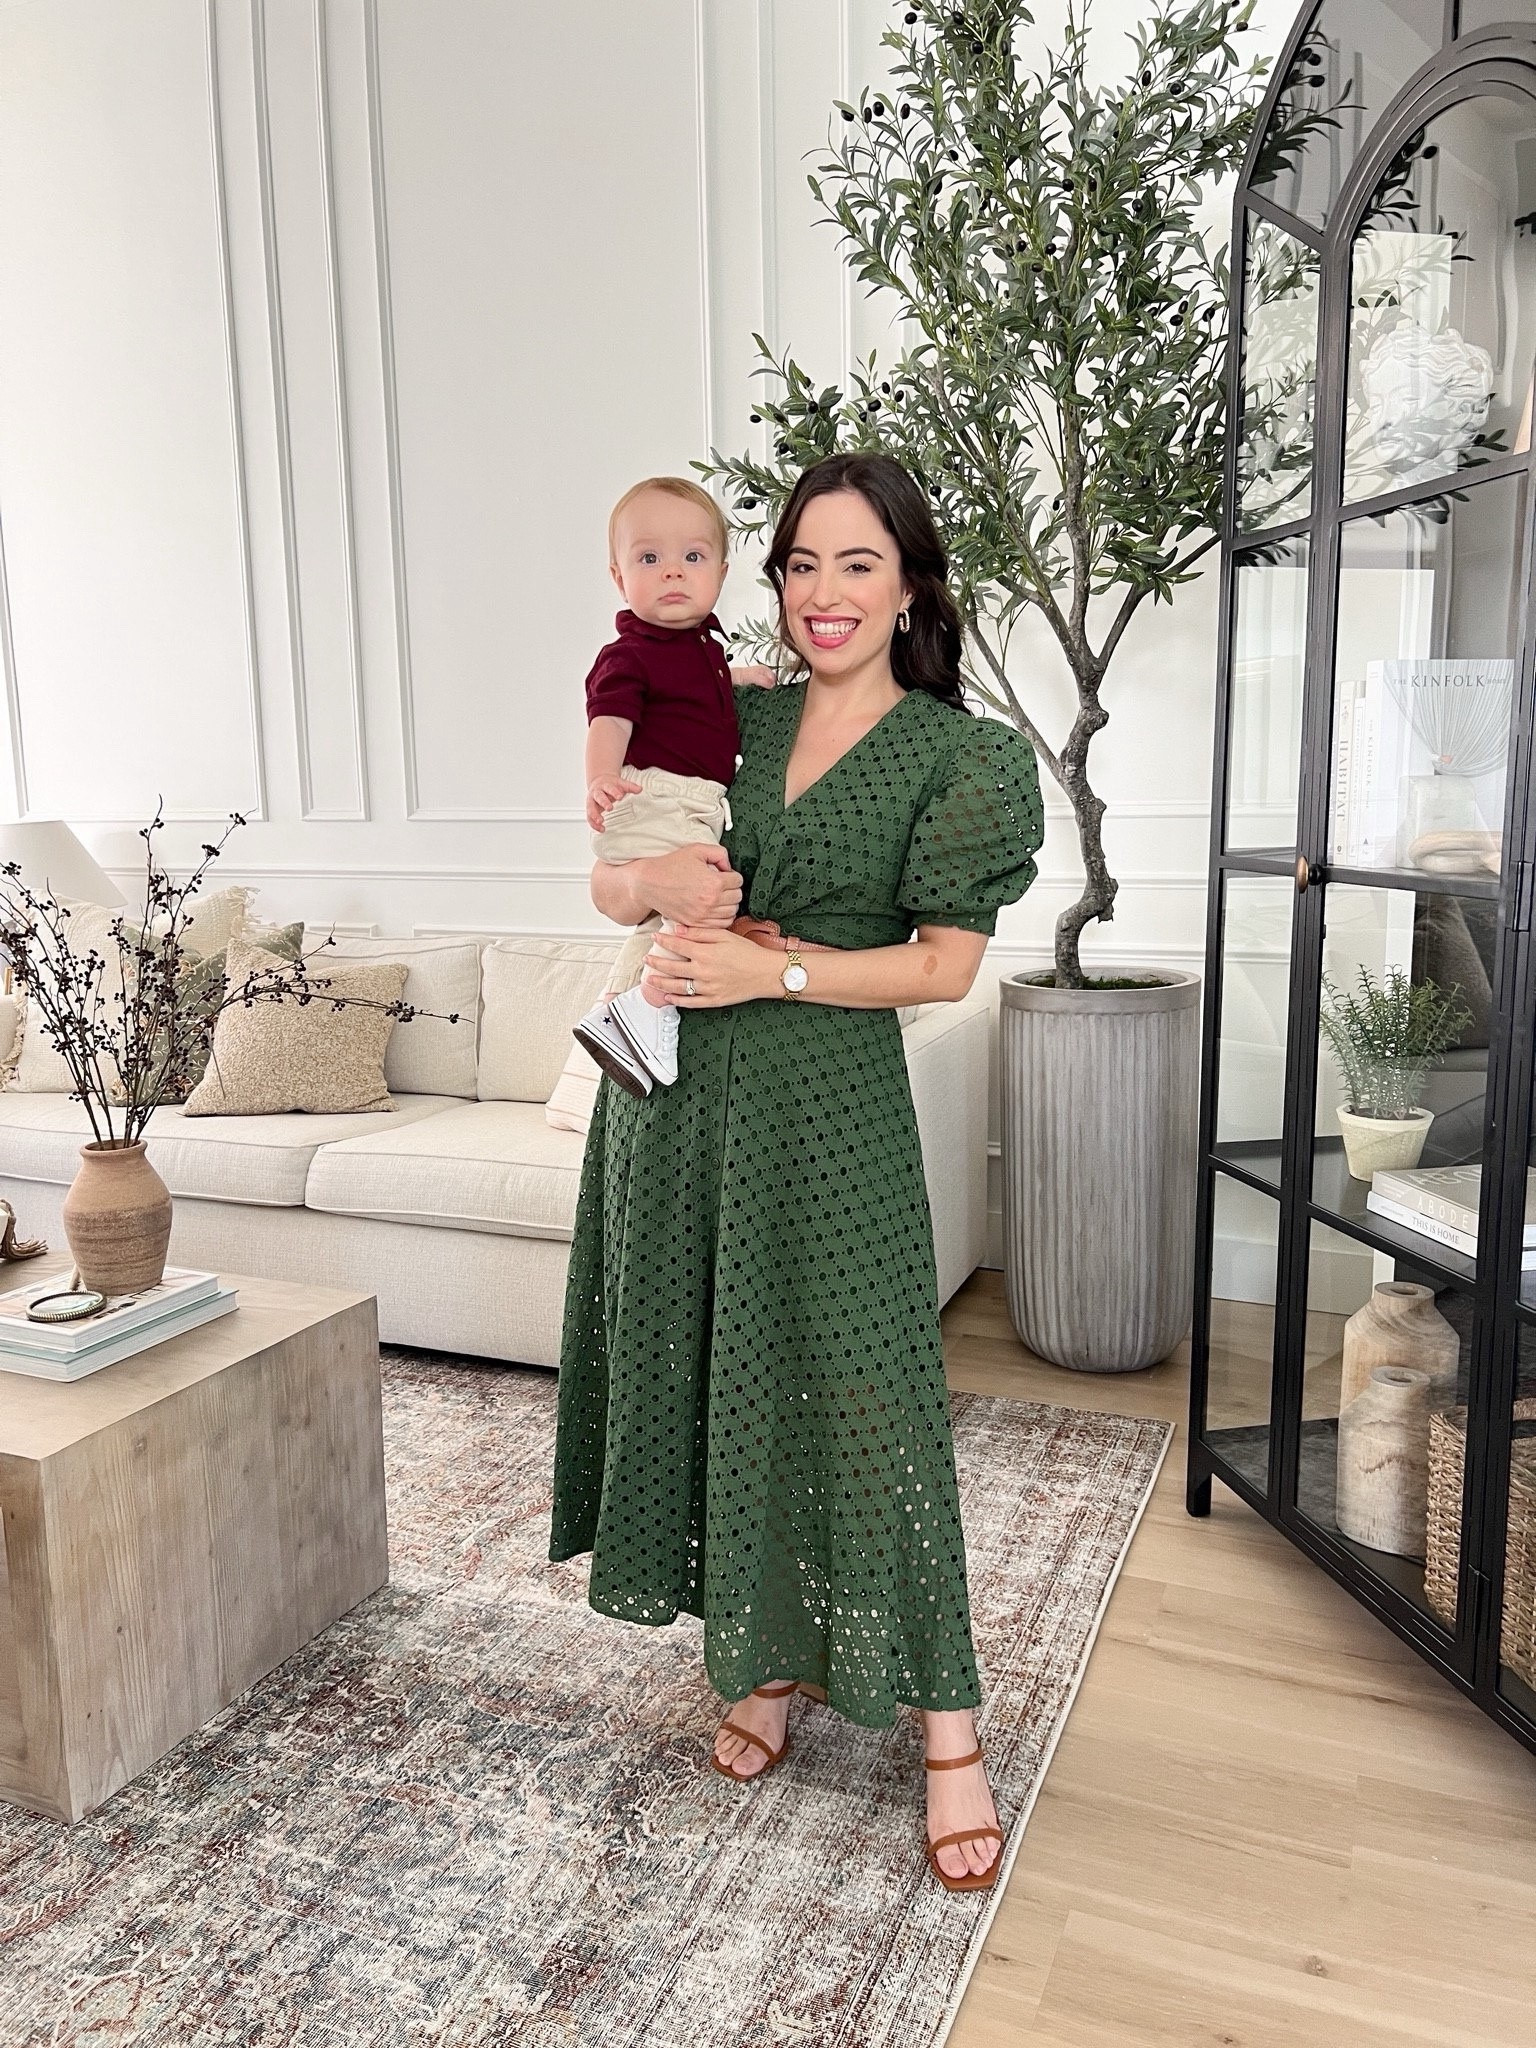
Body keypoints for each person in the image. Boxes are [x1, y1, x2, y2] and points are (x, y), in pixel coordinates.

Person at [550, 452, 1044, 1891]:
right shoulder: (728, 711)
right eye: (804, 566)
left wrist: (773, 967)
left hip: (828, 1119)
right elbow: (610, 869)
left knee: (872, 1397)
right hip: (677, 1111)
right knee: (726, 1382)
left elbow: (945, 968)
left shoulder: (963, 758)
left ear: (910, 589)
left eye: (859, 567)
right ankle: (765, 1666)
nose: (826, 596)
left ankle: (948, 1728)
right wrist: (651, 893)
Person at [571, 476, 773, 1099]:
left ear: (720, 570)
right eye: (649, 558)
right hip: (655, 795)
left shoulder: (699, 649)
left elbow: (692, 690)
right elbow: (609, 720)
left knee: (689, 908)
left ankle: (638, 1002)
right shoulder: (629, 653)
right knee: (707, 897)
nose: (672, 573)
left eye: (692, 557)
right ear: (618, 576)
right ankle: (638, 1010)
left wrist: (738, 677)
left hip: (690, 800)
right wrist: (601, 778)